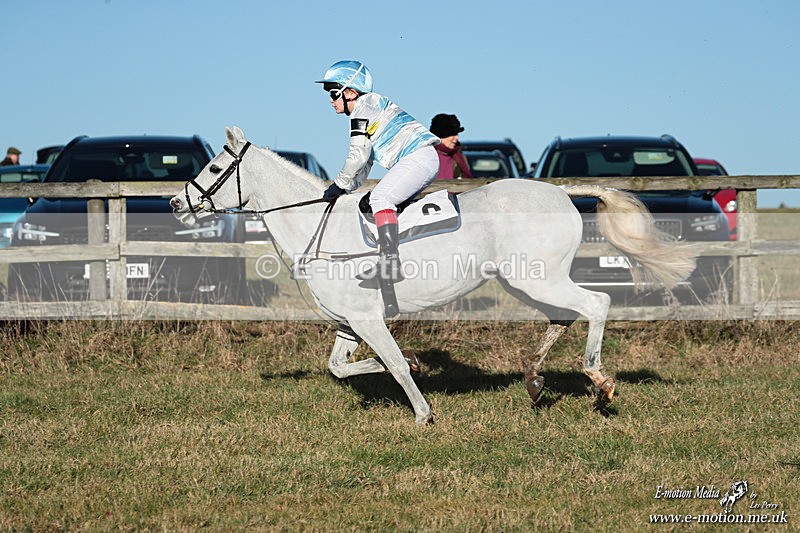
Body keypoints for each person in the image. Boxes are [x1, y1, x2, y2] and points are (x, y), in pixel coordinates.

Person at [316, 60, 440, 316]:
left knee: (381, 199)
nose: (329, 100)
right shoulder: (368, 106)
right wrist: (348, 188)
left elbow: (357, 156)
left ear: (349, 92)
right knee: (372, 201)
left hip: (417, 158)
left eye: (332, 92)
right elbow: (367, 162)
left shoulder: (363, 109)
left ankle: (390, 263)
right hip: (420, 158)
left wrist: (338, 184)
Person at [429, 114, 473, 180]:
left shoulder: (459, 157)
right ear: (441, 135)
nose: (456, 138)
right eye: (452, 134)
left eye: (457, 134)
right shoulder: (426, 155)